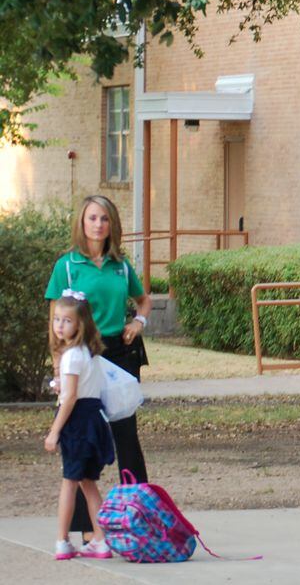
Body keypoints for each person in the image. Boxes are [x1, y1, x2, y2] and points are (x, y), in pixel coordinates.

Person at [43, 195, 149, 545]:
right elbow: (55, 318)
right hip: (81, 357)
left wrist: (140, 320)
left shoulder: (121, 265)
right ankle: (86, 528)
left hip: (117, 354)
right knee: (79, 439)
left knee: (125, 436)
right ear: (82, 222)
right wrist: (58, 364)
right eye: (92, 218)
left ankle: (139, 516)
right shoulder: (68, 265)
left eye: (104, 218)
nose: (98, 224)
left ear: (112, 224)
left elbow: (142, 298)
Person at [44, 292, 116, 560]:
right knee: (88, 483)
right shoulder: (87, 353)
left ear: (80, 324)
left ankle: (62, 540)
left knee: (69, 482)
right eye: (57, 319)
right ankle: (100, 540)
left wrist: (55, 431)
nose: (60, 325)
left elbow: (71, 397)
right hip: (93, 418)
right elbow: (78, 388)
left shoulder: (72, 355)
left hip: (78, 421)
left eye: (67, 321)